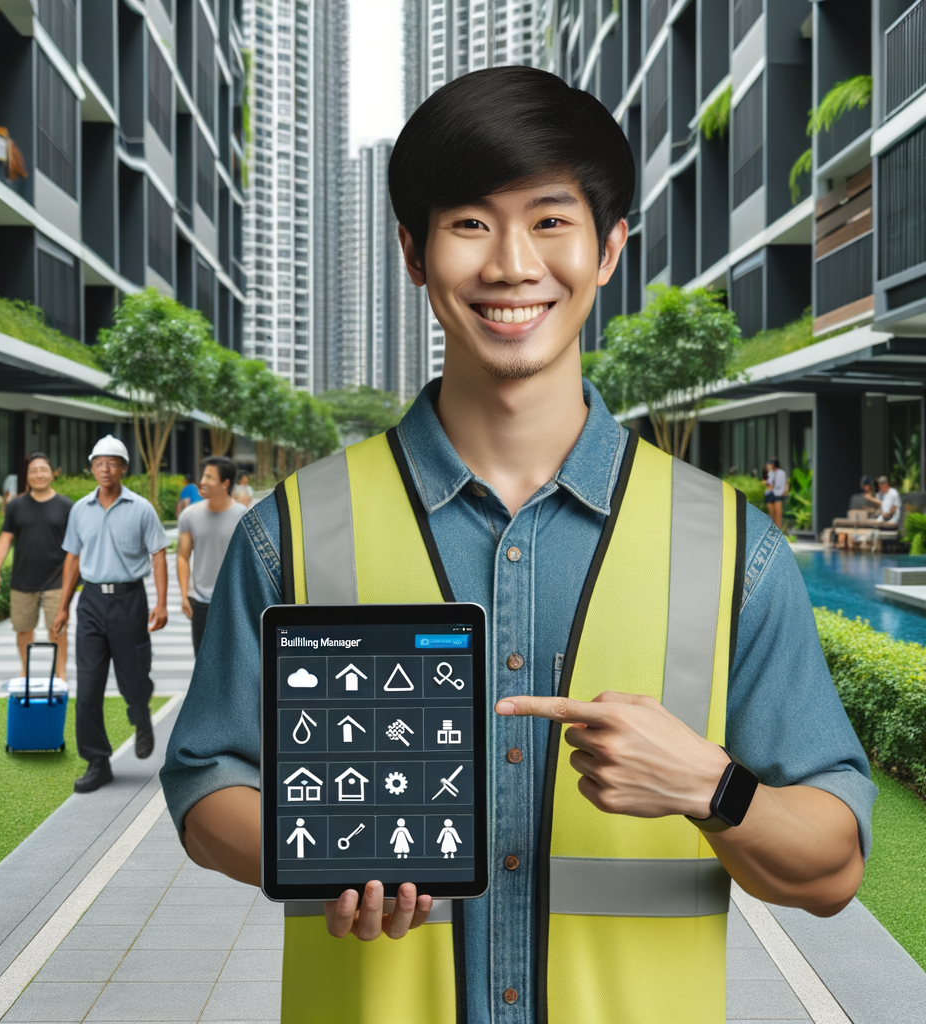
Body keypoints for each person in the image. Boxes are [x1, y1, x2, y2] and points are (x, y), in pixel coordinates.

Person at [161, 67, 875, 1023]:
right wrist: (322, 851)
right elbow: (208, 786)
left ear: (609, 246)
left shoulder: (731, 547)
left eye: (549, 219)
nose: (509, 265)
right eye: (467, 223)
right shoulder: (289, 531)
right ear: (413, 253)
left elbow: (832, 867)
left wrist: (714, 785)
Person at [52, 435, 169, 794]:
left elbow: (159, 554)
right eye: (99, 463)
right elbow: (72, 559)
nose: (105, 469)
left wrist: (161, 603)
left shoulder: (141, 508)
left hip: (128, 600)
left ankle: (140, 717)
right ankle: (97, 761)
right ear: (92, 467)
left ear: (123, 468)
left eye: (112, 463)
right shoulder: (80, 510)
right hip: (90, 603)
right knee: (87, 688)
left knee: (133, 678)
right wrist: (63, 606)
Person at [0, 452, 73, 679]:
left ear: (52, 474)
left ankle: (60, 673)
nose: (39, 475)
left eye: (43, 470)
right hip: (23, 580)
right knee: (23, 629)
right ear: (27, 476)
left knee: (57, 628)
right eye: (33, 471)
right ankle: (25, 670)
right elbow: (6, 537)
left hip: (57, 580)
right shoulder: (16, 506)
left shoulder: (66, 506)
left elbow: (76, 547)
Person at [177, 456, 246, 654]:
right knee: (202, 664)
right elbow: (183, 556)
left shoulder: (243, 516)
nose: (203, 481)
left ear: (225, 483)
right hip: (201, 603)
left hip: (232, 604)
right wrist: (184, 596)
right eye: (203, 476)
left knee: (232, 663)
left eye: (209, 477)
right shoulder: (189, 515)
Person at [763, 456, 788, 529]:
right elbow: (768, 484)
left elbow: (777, 485)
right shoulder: (770, 473)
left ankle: (778, 530)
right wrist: (770, 472)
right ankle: (771, 530)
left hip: (777, 494)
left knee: (778, 514)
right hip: (769, 494)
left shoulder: (781, 473)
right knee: (771, 514)